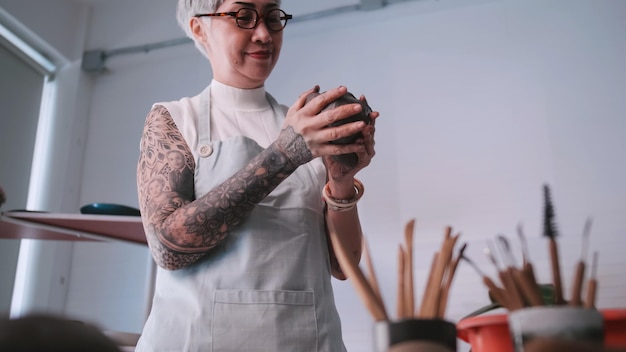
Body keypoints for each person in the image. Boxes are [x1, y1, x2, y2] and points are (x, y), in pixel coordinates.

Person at [135, 0, 378, 351]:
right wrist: (284, 155)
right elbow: (169, 249)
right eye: (243, 16)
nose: (264, 34)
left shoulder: (303, 125)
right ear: (199, 27)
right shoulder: (174, 119)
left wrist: (341, 181)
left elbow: (343, 267)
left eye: (272, 17)